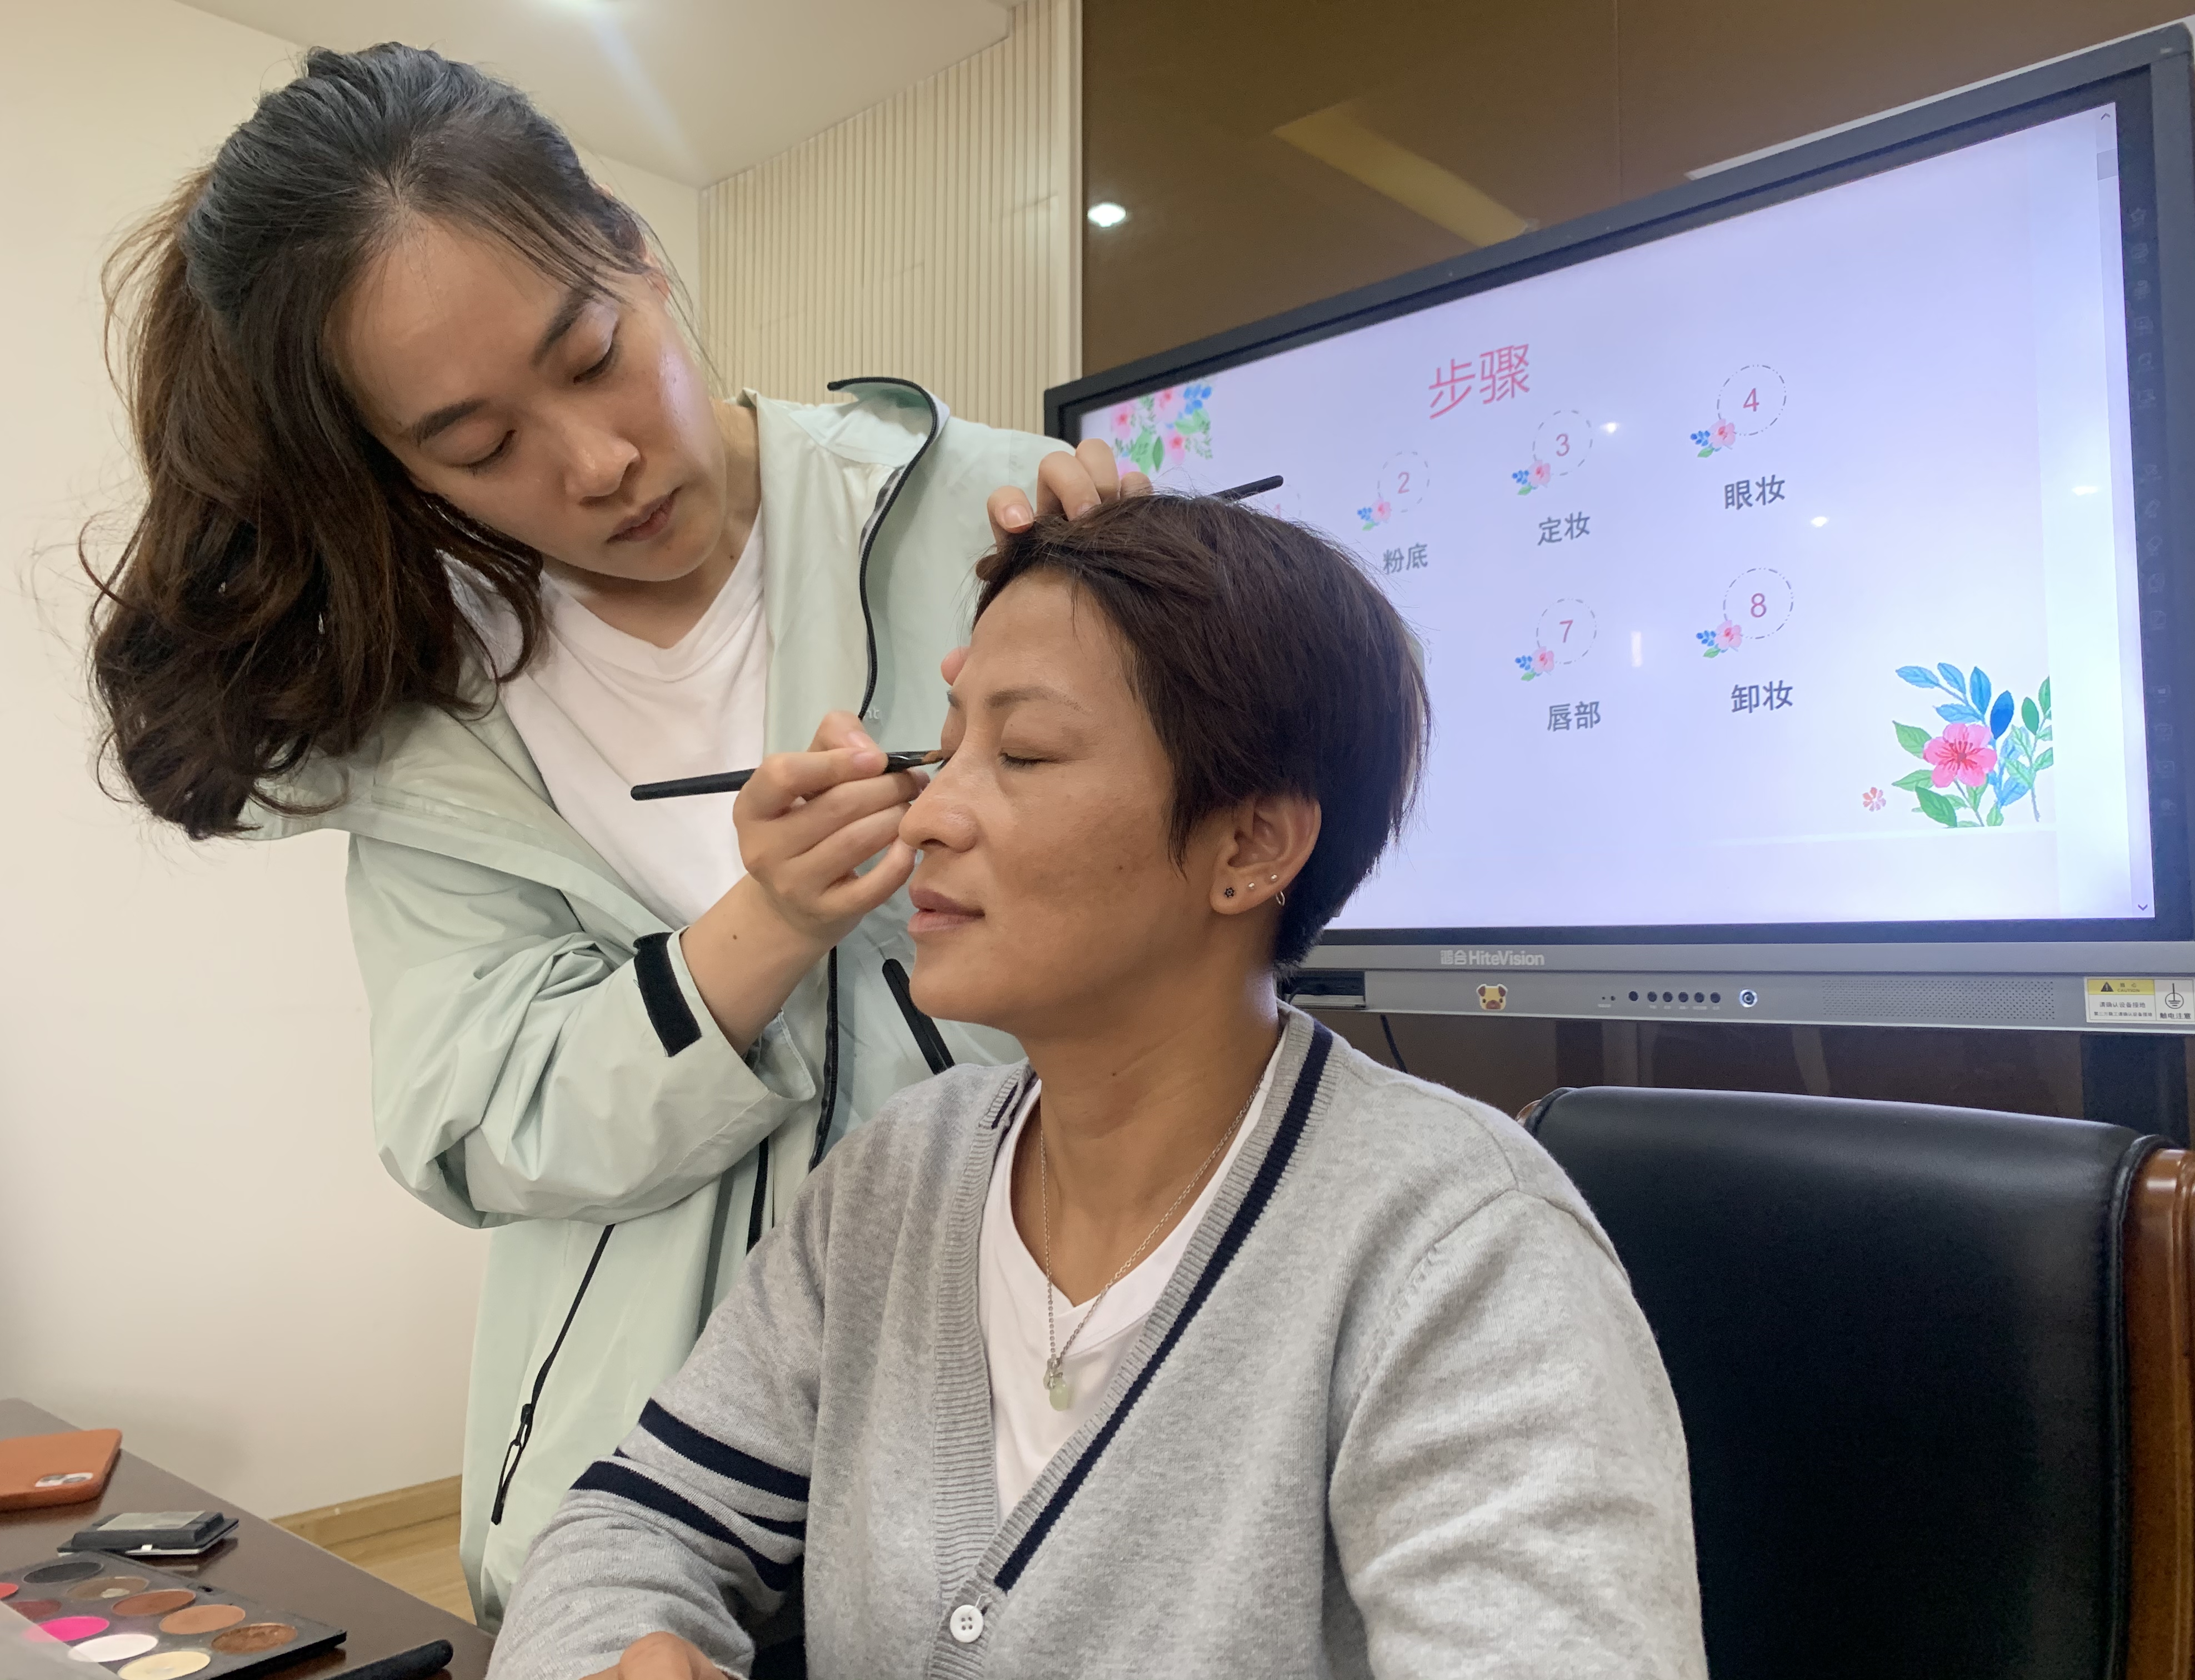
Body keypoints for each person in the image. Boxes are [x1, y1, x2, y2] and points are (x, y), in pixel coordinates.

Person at [87, 42, 1140, 1622]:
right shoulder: (433, 700)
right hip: (644, 1512)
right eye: (476, 446)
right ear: (388, 463)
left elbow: (1210, 938)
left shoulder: (1001, 521)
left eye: (591, 355)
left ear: (638, 252)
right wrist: (762, 930)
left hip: (1048, 1457)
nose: (595, 465)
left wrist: (1164, 674)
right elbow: (473, 1120)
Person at [490, 494, 1707, 1680]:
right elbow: (631, 1525)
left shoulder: (1461, 1254)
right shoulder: (897, 1178)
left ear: (1250, 847)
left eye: (1021, 753)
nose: (929, 814)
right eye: (945, 748)